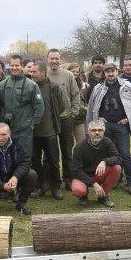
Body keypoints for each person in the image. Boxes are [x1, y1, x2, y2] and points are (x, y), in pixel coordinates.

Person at [87, 63, 131, 195]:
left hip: (121, 125)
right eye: (107, 72)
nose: (110, 74)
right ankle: (110, 180)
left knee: (125, 154)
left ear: (116, 71)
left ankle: (130, 183)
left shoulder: (126, 86)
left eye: (112, 71)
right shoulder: (99, 88)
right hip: (105, 126)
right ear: (104, 73)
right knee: (106, 155)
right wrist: (98, 118)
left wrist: (128, 119)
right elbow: (93, 107)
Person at [0, 123, 37, 215]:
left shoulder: (17, 144)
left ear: (9, 134)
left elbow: (26, 161)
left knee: (32, 175)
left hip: (11, 179)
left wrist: (15, 177)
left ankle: (21, 202)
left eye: (4, 135)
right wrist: (2, 185)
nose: (1, 138)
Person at [30, 62, 67, 200]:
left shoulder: (54, 87)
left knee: (54, 161)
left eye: (34, 72)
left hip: (50, 132)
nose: (32, 74)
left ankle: (56, 187)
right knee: (35, 161)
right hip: (33, 132)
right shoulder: (29, 86)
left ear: (43, 72)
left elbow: (61, 106)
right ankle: (40, 186)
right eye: (31, 72)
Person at [46, 49, 82, 191]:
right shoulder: (44, 75)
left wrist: (73, 113)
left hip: (66, 119)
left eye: (56, 58)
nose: (54, 61)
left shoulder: (67, 75)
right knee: (50, 152)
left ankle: (68, 178)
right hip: (49, 121)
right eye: (51, 58)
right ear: (47, 59)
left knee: (67, 152)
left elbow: (75, 95)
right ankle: (52, 180)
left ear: (60, 60)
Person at [0, 54, 44, 155]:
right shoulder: (2, 85)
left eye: (17, 65)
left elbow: (39, 107)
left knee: (24, 158)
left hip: (24, 130)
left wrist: (32, 124)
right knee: (6, 158)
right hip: (6, 131)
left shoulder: (31, 85)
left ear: (22, 66)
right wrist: (0, 123)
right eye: (12, 65)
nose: (14, 68)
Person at [71, 119, 122, 207]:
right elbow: (76, 171)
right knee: (78, 190)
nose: (97, 132)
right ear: (89, 132)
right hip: (83, 176)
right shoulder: (79, 148)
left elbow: (118, 158)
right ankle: (83, 196)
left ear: (103, 132)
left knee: (117, 168)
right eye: (93, 130)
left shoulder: (107, 142)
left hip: (99, 174)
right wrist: (94, 184)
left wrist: (105, 162)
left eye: (100, 130)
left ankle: (103, 196)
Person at [68, 62, 89, 145]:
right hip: (68, 118)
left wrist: (85, 107)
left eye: (77, 72)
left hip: (80, 119)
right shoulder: (65, 84)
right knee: (68, 144)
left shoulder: (84, 85)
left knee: (82, 143)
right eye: (73, 71)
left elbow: (86, 100)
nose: (75, 73)